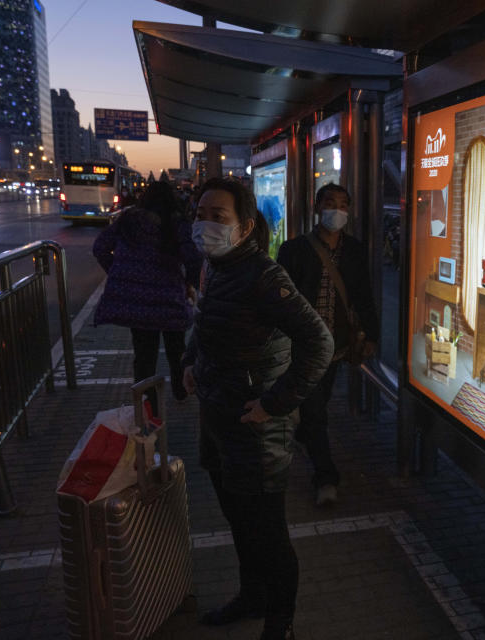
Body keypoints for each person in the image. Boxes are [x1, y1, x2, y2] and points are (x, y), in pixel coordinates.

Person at [183, 177, 333, 640]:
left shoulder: (265, 277)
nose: (206, 224)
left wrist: (274, 404)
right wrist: (191, 362)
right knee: (237, 518)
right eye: (201, 213)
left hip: (256, 429)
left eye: (219, 217)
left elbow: (319, 343)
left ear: (245, 227)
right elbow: (209, 326)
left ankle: (279, 623)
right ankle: (251, 597)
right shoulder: (214, 267)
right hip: (219, 416)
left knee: (268, 534)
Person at [277, 183, 378, 506]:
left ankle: (306, 434)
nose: (338, 210)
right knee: (315, 410)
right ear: (317, 206)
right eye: (331, 203)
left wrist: (372, 335)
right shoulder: (293, 250)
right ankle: (326, 477)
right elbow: (282, 298)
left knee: (316, 407)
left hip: (337, 345)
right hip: (302, 344)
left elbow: (363, 294)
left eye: (344, 204)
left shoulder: (355, 250)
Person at [92, 181, 202, 403]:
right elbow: (193, 257)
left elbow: (100, 247)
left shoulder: (129, 219)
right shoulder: (177, 222)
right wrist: (190, 283)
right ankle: (180, 392)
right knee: (176, 350)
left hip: (136, 303)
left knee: (143, 355)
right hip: (169, 298)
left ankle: (147, 403)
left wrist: (119, 271)